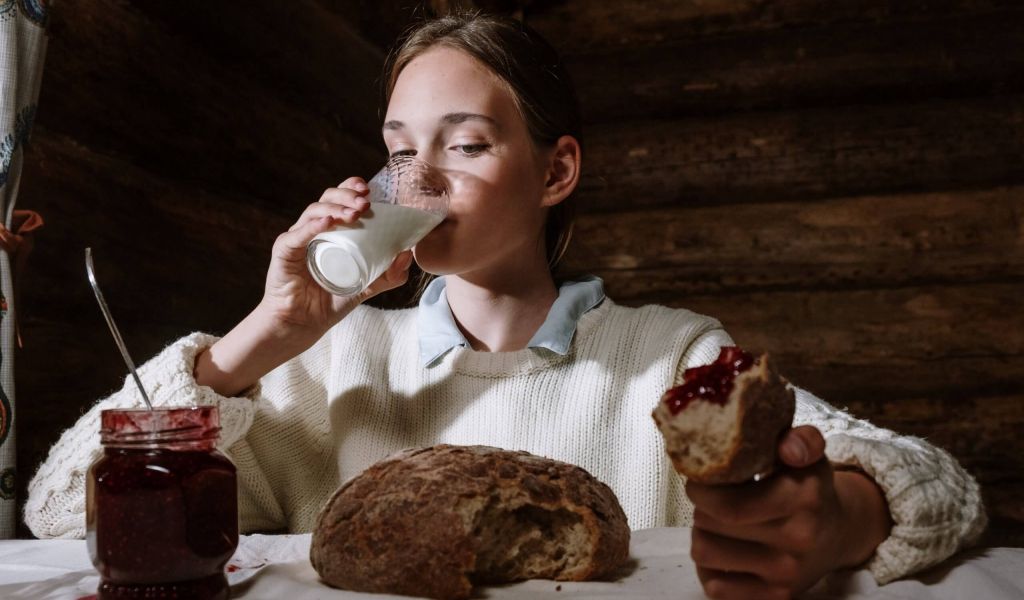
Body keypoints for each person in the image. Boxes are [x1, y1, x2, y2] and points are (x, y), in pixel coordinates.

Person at [26, 12, 985, 599]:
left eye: (467, 144)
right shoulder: (327, 361)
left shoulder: (668, 354)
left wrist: (839, 514)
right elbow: (65, 509)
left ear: (555, 170)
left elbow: (934, 485)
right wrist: (258, 340)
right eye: (401, 151)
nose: (420, 180)